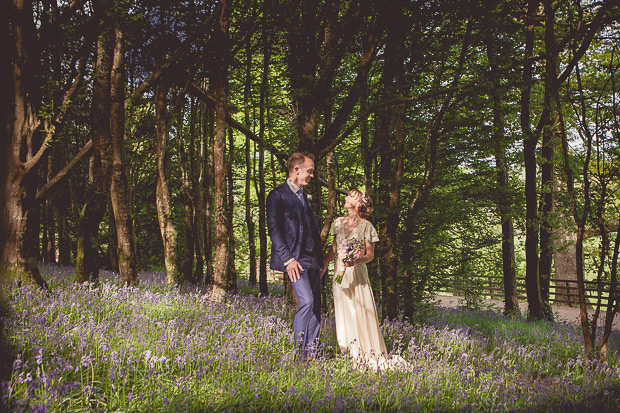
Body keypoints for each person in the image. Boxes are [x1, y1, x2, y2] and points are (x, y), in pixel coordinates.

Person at [321, 190, 406, 370]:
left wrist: (355, 260)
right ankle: (349, 352)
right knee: (344, 310)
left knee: (358, 310)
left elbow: (370, 255)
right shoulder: (338, 222)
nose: (345, 198)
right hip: (340, 272)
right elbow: (335, 248)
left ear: (359, 204)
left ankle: (364, 354)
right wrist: (324, 265)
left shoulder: (367, 226)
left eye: (350, 196)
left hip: (357, 273)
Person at [267, 152, 323, 360]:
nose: (312, 176)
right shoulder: (277, 195)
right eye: (310, 171)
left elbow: (312, 230)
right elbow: (274, 230)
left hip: (313, 259)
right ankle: (300, 356)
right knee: (306, 301)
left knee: (316, 305)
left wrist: (321, 261)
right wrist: (288, 259)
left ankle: (314, 354)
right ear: (297, 170)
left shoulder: (303, 196)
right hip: (295, 260)